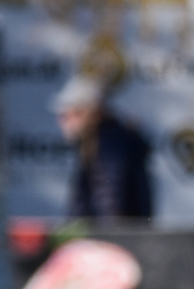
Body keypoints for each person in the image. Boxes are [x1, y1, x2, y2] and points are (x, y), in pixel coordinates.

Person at [54, 75, 153, 222]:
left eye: (68, 115)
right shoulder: (99, 141)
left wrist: (106, 239)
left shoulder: (108, 146)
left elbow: (111, 207)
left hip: (110, 241)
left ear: (89, 112)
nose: (62, 123)